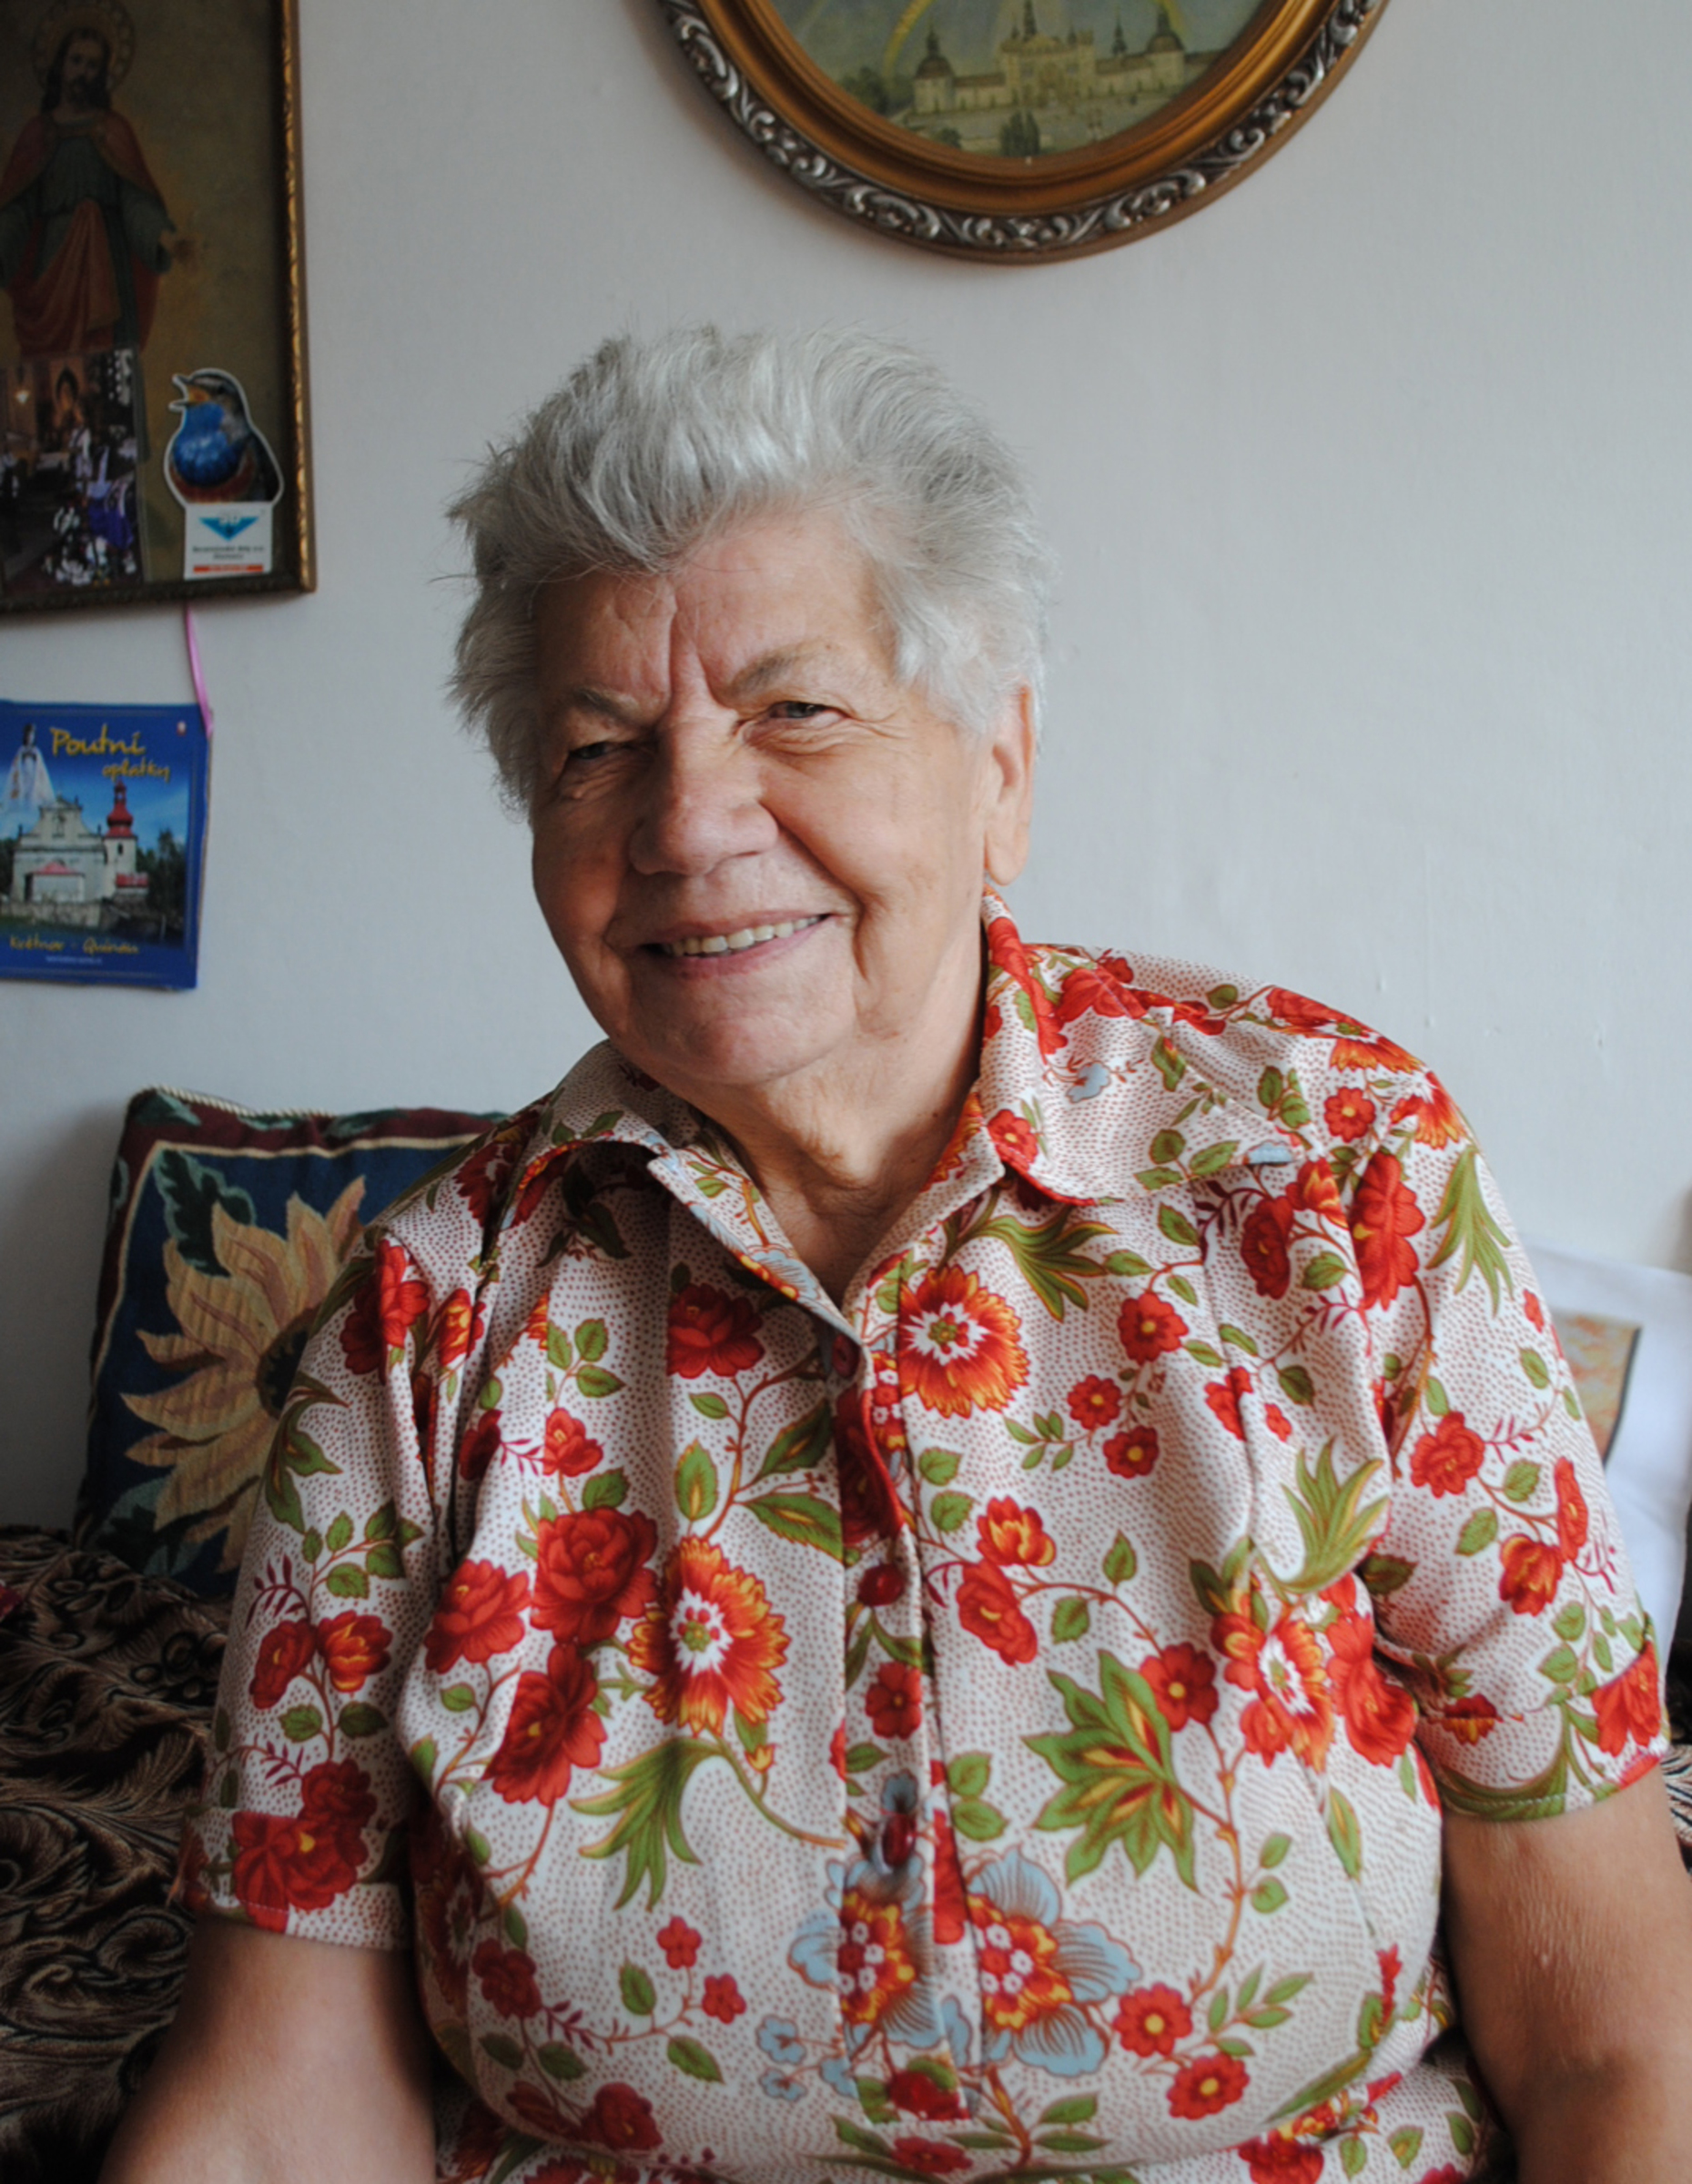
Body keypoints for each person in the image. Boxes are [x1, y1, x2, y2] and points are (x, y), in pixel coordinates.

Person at [102, 329, 1692, 2184]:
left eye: (794, 711)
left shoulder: (1329, 1186)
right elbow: (279, 2106)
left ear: (994, 768)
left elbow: (1613, 2032)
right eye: (595, 749)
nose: (686, 824)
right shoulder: (427, 1322)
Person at [0, 16, 176, 360]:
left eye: (93, 65)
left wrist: (154, 231)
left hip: (107, 266)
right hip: (55, 268)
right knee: (55, 365)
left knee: (106, 364)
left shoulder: (113, 130)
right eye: (76, 60)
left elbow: (134, 198)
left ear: (102, 73)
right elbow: (19, 207)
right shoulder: (38, 134)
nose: (83, 72)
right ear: (60, 65)